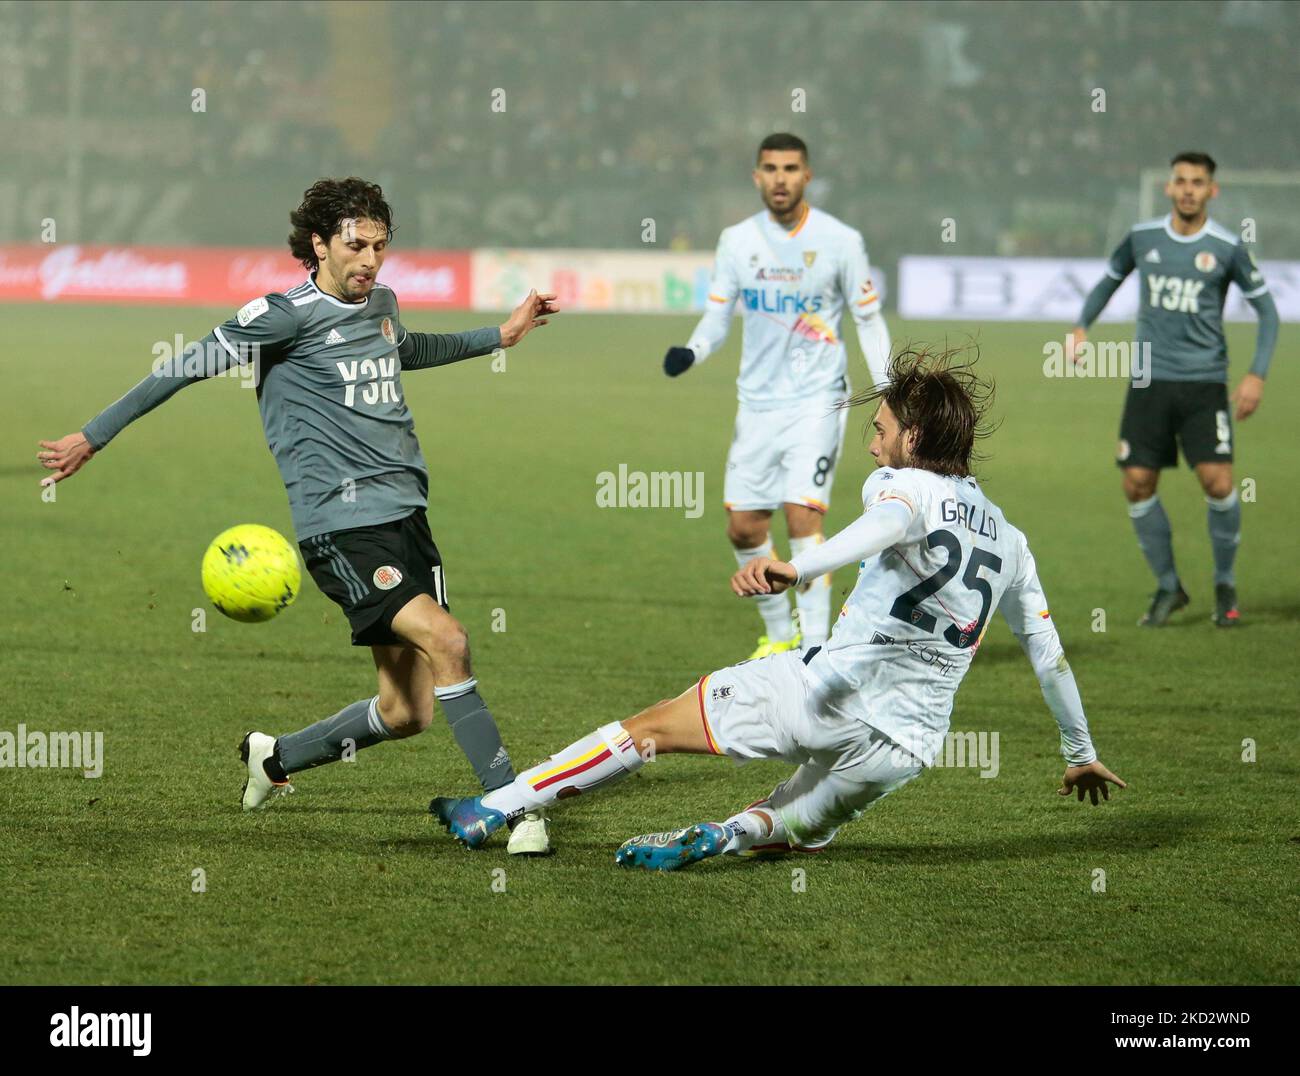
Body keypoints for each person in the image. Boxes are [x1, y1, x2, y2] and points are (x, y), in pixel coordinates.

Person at [431, 346, 1124, 870]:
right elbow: (1049, 655)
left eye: (881, 428)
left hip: (824, 694)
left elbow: (877, 531)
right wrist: (1080, 752)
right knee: (798, 826)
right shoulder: (1013, 541)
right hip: (905, 747)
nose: (873, 440)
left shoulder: (903, 487)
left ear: (914, 440)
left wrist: (796, 565)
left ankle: (495, 807)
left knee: (649, 731)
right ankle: (726, 833)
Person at [37, 177, 559, 855]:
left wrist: (501, 335)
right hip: (342, 527)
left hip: (407, 517)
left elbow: (402, 347)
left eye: (379, 245)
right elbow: (185, 365)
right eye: (355, 244)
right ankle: (514, 809)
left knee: (408, 711)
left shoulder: (383, 304)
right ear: (318, 244)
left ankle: (273, 758)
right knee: (450, 642)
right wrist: (93, 434)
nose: (370, 259)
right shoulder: (284, 316)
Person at [661, 132, 892, 659]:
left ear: (807, 176)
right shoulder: (737, 241)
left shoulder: (840, 240)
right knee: (744, 528)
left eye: (790, 168)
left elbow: (868, 318)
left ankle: (813, 647)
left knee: (802, 519)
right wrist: (692, 352)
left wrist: (889, 388)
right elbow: (718, 317)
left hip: (818, 400)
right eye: (770, 168)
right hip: (757, 405)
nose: (780, 178)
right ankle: (780, 633)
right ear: (756, 177)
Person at [1070, 152, 1279, 627]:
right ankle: (1168, 587)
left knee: (1219, 482)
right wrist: (1081, 326)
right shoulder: (1143, 238)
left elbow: (1267, 311)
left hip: (1204, 382)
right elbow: (1109, 279)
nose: (1188, 189)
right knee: (1137, 483)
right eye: (1180, 181)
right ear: (1168, 188)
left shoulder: (1226, 247)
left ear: (1212, 191)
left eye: (1197, 182)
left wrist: (1256, 374)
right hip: (1148, 381)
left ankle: (1224, 585)